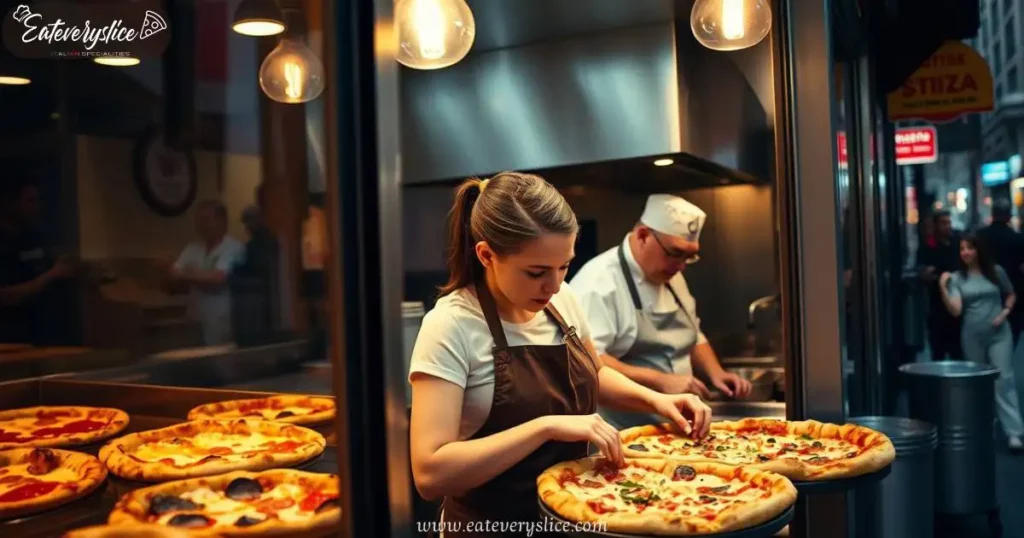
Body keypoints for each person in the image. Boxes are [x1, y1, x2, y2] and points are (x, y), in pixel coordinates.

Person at [408, 172, 712, 537]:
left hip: (579, 513)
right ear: (487, 255)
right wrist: (546, 427)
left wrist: (659, 400)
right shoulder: (450, 325)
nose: (553, 286)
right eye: (536, 272)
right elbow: (430, 473)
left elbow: (594, 373)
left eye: (564, 266)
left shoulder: (561, 299)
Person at [569, 194, 751, 428]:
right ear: (643, 235)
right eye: (675, 253)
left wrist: (716, 372)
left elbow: (693, 332)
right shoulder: (598, 284)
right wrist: (661, 381)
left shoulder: (671, 274)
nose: (681, 266)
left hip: (677, 422)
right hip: (625, 429)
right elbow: (588, 363)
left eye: (689, 256)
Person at [938, 234, 1024, 450]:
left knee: (1004, 379)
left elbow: (1011, 294)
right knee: (978, 383)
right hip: (972, 335)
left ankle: (1014, 432)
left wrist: (1004, 313)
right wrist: (942, 287)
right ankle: (985, 425)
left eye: (970, 248)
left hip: (999, 332)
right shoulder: (958, 278)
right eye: (962, 249)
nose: (966, 252)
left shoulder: (995, 271)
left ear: (979, 250)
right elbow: (956, 310)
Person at [0, 177, 79, 344]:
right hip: (11, 337)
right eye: (29, 201)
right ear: (8, 203)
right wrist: (52, 275)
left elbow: (42, 262)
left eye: (37, 200)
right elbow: (6, 296)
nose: (36, 207)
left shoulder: (34, 235)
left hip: (43, 334)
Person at [168, 200, 244, 346]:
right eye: (198, 220)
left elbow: (219, 278)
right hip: (195, 320)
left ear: (222, 221)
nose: (201, 225)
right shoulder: (192, 248)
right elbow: (173, 275)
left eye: (206, 220)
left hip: (222, 321)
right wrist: (200, 275)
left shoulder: (233, 248)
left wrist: (188, 275)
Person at [977, 199, 1024, 343]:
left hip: (983, 294)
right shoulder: (1017, 239)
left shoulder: (980, 236)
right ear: (1008, 216)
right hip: (1012, 296)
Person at [918, 210, 963, 360]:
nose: (947, 226)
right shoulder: (928, 247)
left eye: (949, 222)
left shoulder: (957, 244)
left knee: (959, 351)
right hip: (937, 305)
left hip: (958, 302)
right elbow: (924, 273)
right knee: (938, 351)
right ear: (936, 225)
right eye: (943, 223)